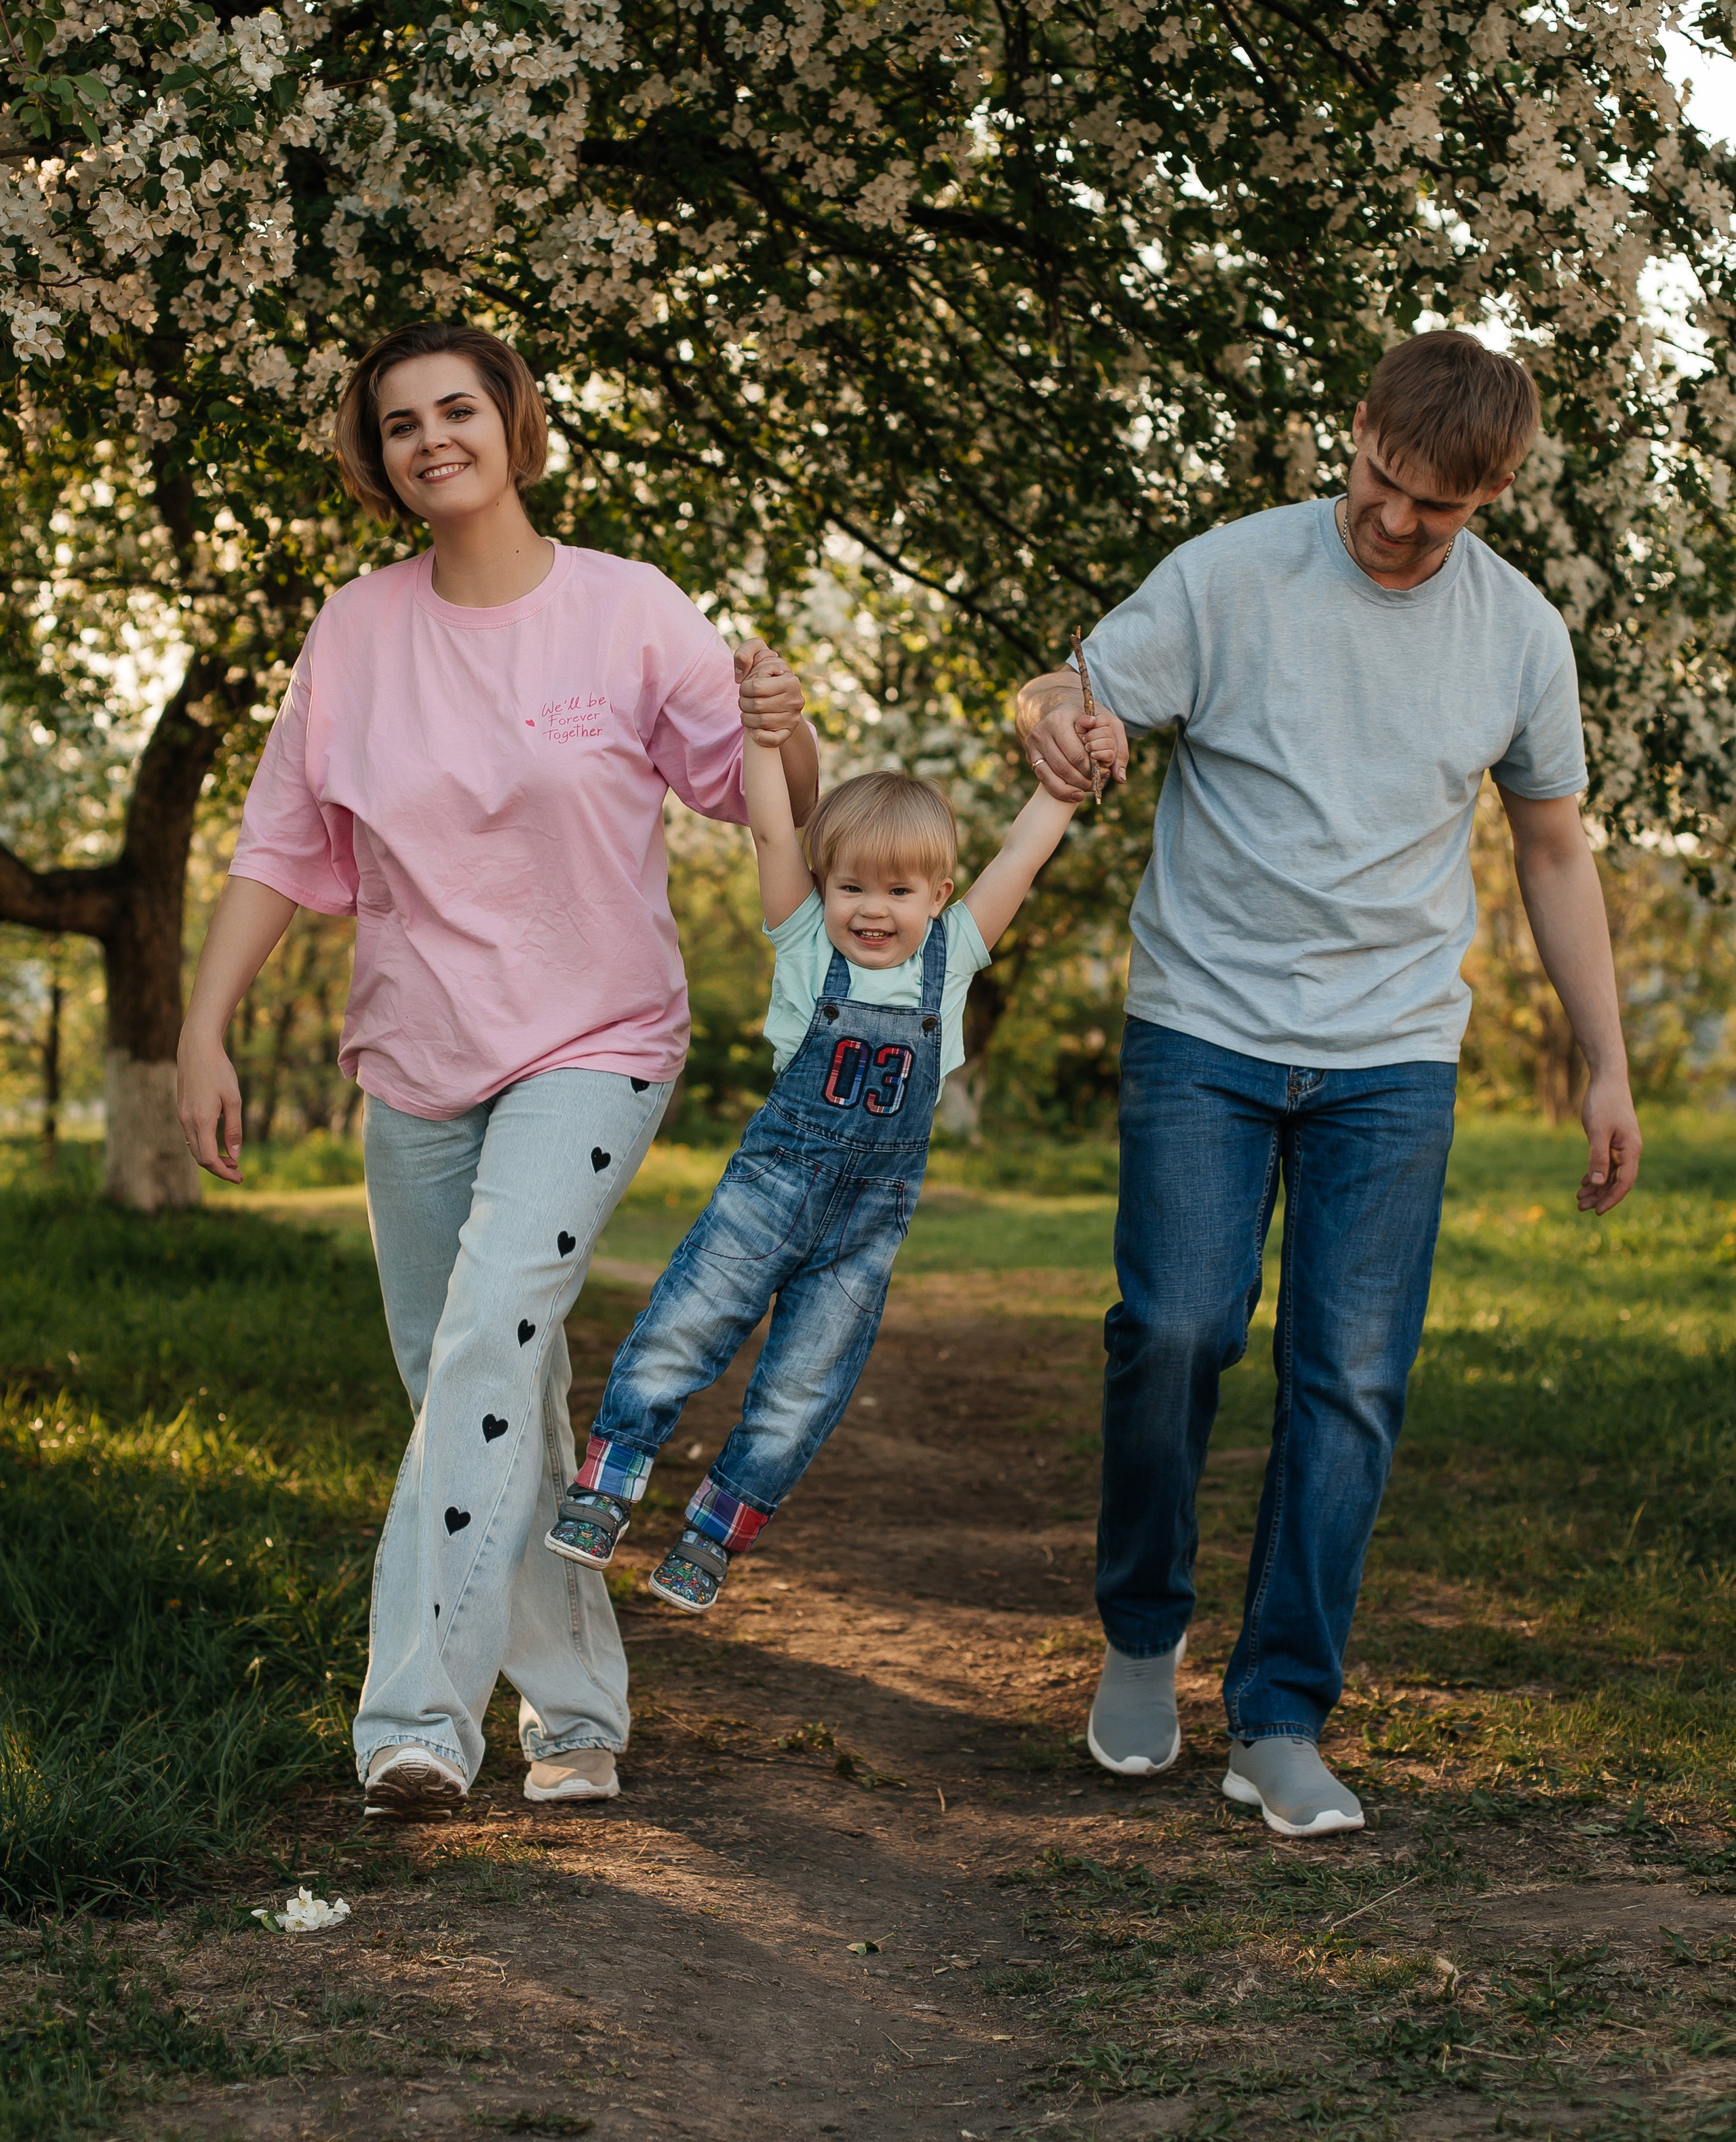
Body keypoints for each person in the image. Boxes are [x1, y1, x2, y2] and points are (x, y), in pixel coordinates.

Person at [175, 321, 818, 1821]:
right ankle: (579, 1710)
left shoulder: (629, 610)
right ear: (378, 459)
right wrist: (204, 1029)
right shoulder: (354, 633)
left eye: (456, 409)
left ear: (514, 426)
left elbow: (758, 797)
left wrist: (791, 734)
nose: (430, 440)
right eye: (399, 424)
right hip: (414, 1053)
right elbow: (276, 847)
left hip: (595, 1040)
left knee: (481, 1347)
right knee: (478, 1377)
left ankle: (415, 1722)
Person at [1017, 329, 1641, 1839]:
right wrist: (1048, 711)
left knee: (1347, 1382)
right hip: (1204, 1027)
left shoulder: (1517, 637)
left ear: (1491, 493)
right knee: (1172, 1329)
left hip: (1391, 1054)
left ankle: (1279, 1715)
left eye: (1435, 505)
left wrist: (1602, 1062)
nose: (1390, 519)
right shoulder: (1230, 575)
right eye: (1377, 478)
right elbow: (1067, 687)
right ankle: (1141, 1633)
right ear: (1352, 432)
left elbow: (1552, 849)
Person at [545, 713, 1120, 1612]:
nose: (872, 909)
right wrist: (764, 740)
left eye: (898, 890)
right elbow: (773, 828)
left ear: (939, 894)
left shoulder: (953, 955)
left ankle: (712, 1535)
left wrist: (1060, 788)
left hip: (866, 1228)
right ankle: (606, 1485)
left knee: (803, 1388)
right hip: (767, 1194)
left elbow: (1020, 862)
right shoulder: (805, 940)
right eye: (851, 885)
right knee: (681, 1335)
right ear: (823, 887)